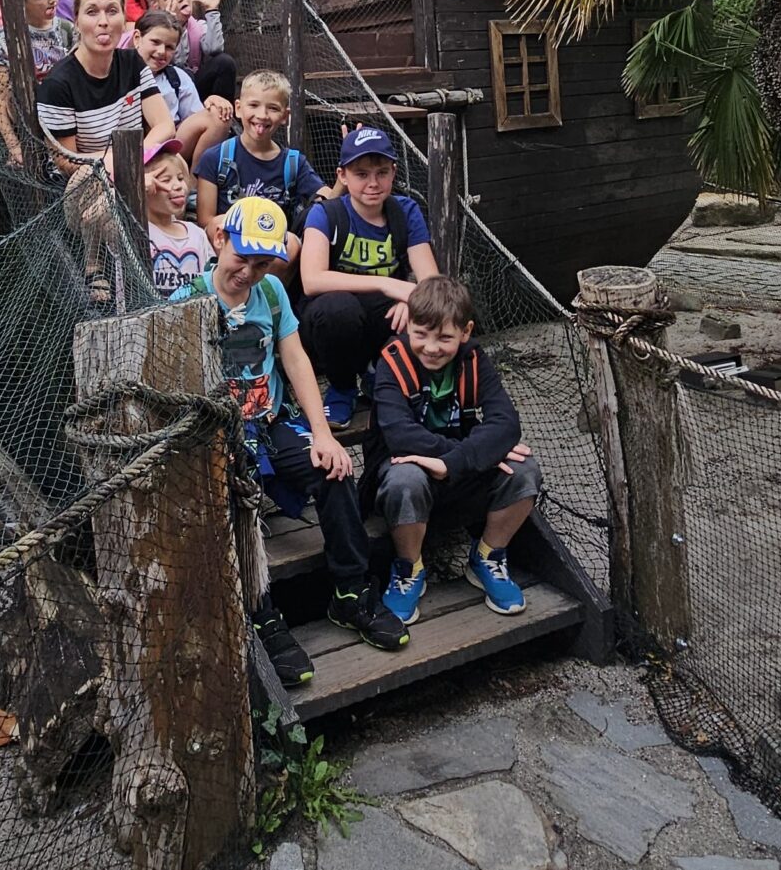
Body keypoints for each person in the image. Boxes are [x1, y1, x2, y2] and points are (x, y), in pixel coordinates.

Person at [175, 197, 410, 684]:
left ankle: (350, 591)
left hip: (269, 420)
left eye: (263, 263)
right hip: (217, 428)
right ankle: (260, 612)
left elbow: (296, 359)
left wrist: (323, 434)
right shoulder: (188, 301)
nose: (249, 272)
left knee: (334, 471)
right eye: (243, 258)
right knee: (231, 500)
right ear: (219, 241)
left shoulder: (272, 294)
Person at [370, 276, 539, 623]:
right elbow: (401, 435)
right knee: (405, 478)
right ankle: (409, 568)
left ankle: (488, 555)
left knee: (525, 469)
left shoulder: (474, 358)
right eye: (420, 334)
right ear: (408, 325)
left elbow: (506, 423)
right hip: (402, 470)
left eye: (444, 338)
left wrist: (453, 462)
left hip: (458, 470)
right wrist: (471, 453)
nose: (431, 347)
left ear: (465, 332)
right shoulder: (392, 360)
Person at [299, 125, 441, 427]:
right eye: (362, 174)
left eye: (381, 173)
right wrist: (391, 285)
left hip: (383, 318)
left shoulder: (406, 211)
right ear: (342, 176)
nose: (373, 183)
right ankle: (342, 388)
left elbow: (430, 282)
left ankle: (383, 376)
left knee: (424, 314)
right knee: (337, 309)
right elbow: (312, 280)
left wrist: (411, 300)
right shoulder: (326, 214)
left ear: (393, 172)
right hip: (332, 326)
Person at [196, 71, 329, 254]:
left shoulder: (293, 163)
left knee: (292, 243)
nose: (262, 115)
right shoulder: (215, 158)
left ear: (285, 116)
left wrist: (347, 168)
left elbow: (329, 197)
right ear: (238, 108)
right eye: (253, 105)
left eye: (273, 108)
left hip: (272, 245)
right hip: (231, 243)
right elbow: (206, 222)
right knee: (216, 223)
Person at [35, 0, 172, 157]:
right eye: (91, 12)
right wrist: (126, 158)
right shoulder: (58, 84)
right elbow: (66, 160)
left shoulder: (132, 62)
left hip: (137, 159)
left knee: (174, 164)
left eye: (112, 11)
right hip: (91, 171)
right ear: (76, 22)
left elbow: (165, 125)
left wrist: (136, 158)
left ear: (124, 20)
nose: (103, 21)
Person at [132, 8, 232, 166]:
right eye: (155, 42)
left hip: (171, 149)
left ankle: (196, 176)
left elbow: (196, 118)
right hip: (133, 148)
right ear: (137, 38)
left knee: (218, 114)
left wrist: (213, 101)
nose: (161, 52)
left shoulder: (177, 77)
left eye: (169, 47)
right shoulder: (120, 73)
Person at [142, 0, 239, 105]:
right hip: (165, 91)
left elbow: (214, 49)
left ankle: (222, 112)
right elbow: (175, 62)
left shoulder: (198, 26)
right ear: (157, 7)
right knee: (184, 73)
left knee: (225, 62)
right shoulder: (153, 31)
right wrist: (171, 26)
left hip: (194, 87)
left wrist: (212, 10)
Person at [142, 139, 209, 299]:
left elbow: (209, 280)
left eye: (180, 178)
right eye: (165, 180)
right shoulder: (135, 229)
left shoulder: (197, 234)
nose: (178, 186)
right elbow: (92, 216)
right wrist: (135, 185)